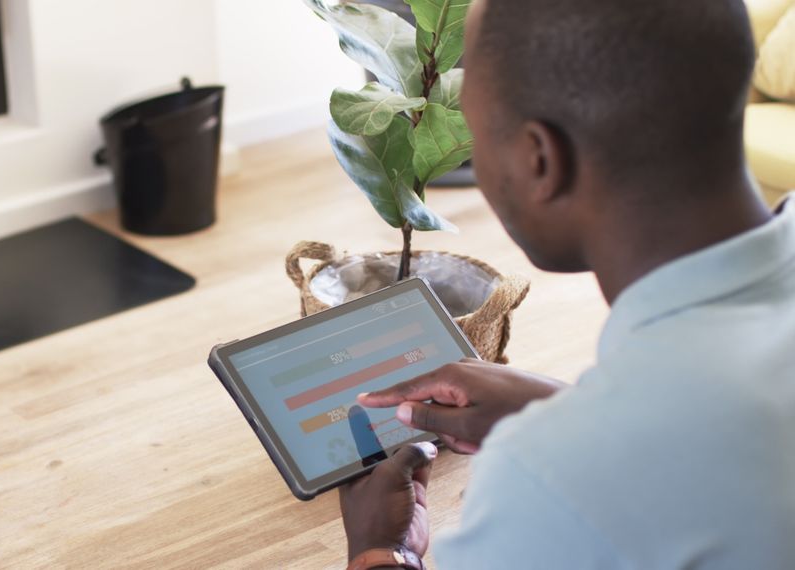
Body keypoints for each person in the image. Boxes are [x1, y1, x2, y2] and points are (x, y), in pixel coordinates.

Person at [338, 0, 795, 567]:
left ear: (539, 159)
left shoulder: (551, 484)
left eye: (476, 134)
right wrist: (569, 407)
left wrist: (381, 550)